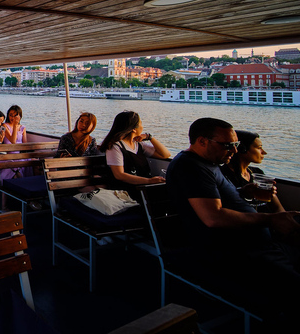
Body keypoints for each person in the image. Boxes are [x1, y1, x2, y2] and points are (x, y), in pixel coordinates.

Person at [165, 118, 300, 324]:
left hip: (254, 245)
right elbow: (212, 217)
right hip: (231, 253)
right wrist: (270, 219)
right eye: (228, 145)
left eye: (236, 145)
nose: (234, 151)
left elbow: (210, 198)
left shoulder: (209, 164)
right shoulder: (190, 167)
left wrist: (243, 191)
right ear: (202, 141)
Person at [98, 111, 170, 195]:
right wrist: (149, 181)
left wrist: (149, 137)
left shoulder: (139, 144)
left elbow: (165, 155)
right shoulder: (115, 147)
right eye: (141, 124)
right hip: (127, 190)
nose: (142, 127)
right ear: (134, 129)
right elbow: (119, 175)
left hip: (144, 187)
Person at [221, 130, 284, 212]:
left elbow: (278, 209)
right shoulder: (223, 174)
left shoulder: (257, 173)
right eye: (259, 148)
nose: (264, 152)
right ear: (242, 149)